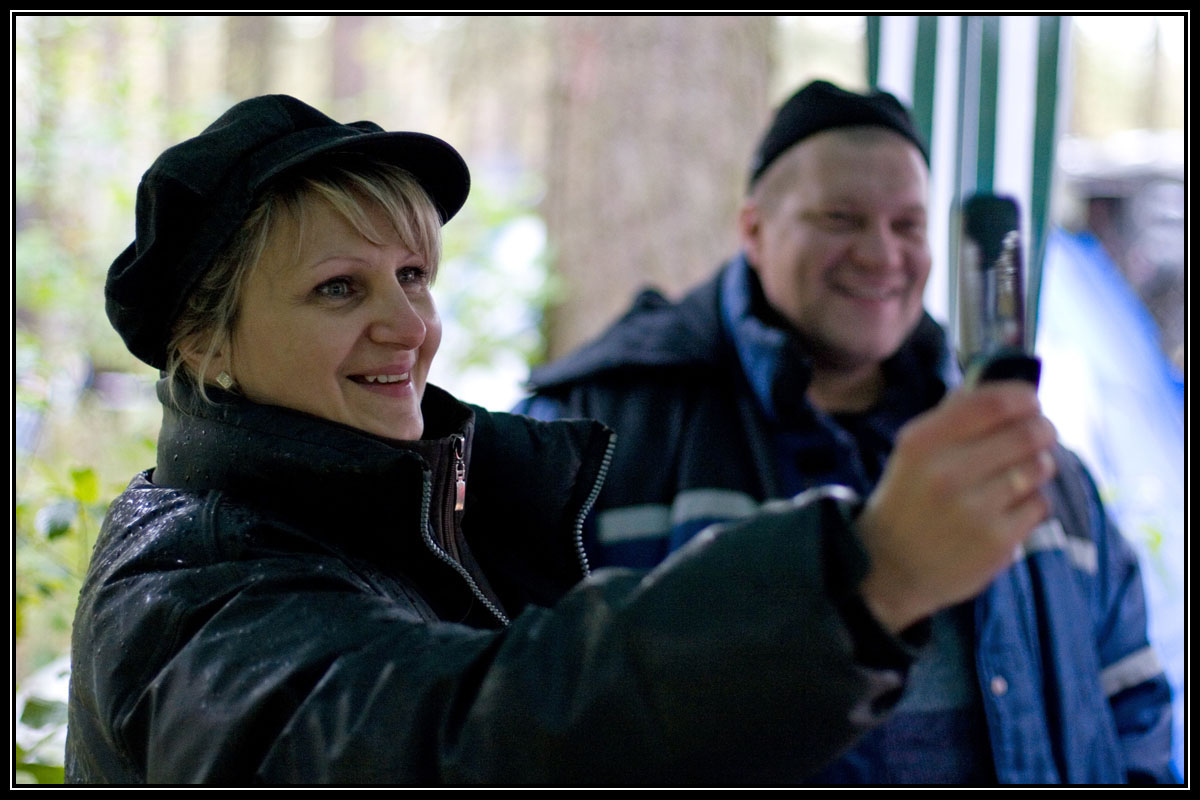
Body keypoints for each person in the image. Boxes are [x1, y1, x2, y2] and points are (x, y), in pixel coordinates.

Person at [65, 94, 1058, 785]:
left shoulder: (405, 511)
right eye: (338, 288)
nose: (409, 325)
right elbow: (458, 741)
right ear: (208, 343)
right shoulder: (194, 586)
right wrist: (865, 575)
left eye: (413, 276)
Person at [516, 80, 1175, 784]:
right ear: (753, 230)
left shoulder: (1020, 455)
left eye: (908, 226)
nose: (881, 254)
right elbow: (522, 714)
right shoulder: (595, 443)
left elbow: (1133, 705)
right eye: (841, 219)